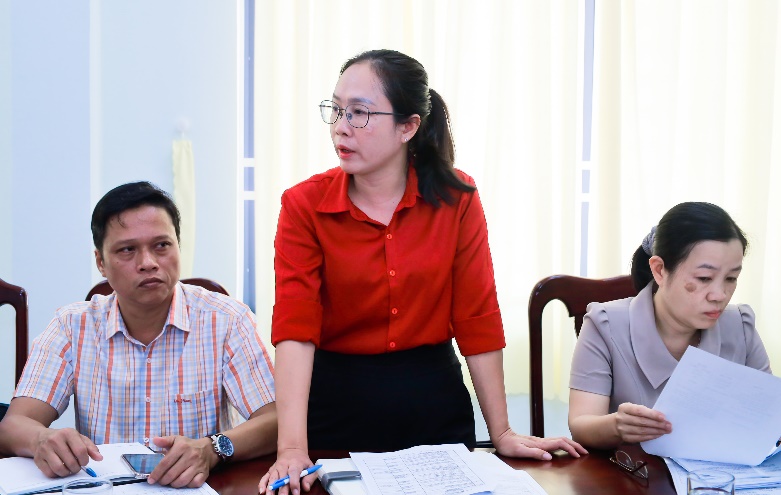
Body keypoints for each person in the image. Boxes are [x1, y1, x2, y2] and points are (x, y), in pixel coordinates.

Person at [260, 49, 586, 495]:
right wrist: (292, 447)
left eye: (359, 113)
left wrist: (503, 432)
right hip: (336, 409)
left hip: (433, 406)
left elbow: (476, 317)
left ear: (408, 127)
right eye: (336, 110)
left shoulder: (457, 197)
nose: (340, 126)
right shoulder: (304, 205)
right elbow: (296, 327)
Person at [0, 181, 277, 488]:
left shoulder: (227, 320)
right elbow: (13, 425)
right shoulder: (71, 325)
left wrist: (212, 448)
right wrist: (42, 439)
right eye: (127, 250)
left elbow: (276, 420)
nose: (148, 263)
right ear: (101, 263)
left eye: (162, 245)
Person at [568, 201, 771, 449]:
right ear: (660, 270)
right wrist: (617, 425)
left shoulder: (740, 325)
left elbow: (767, 415)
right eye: (704, 278)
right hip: (633, 470)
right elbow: (581, 425)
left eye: (731, 278)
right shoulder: (605, 325)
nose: (720, 294)